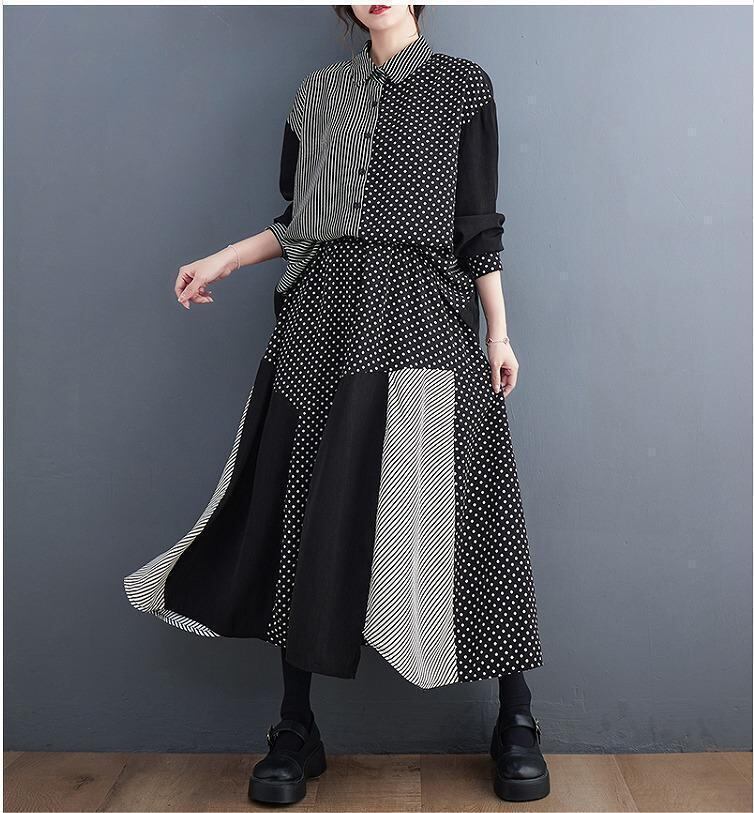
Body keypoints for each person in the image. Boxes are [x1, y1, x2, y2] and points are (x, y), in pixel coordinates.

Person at [124, 4, 549, 805]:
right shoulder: (316, 94)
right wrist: (224, 259)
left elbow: (476, 226)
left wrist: (499, 332)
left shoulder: (463, 86)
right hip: (322, 323)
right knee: (305, 506)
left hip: (423, 313)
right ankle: (296, 727)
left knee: (461, 507)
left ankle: (516, 717)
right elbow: (301, 222)